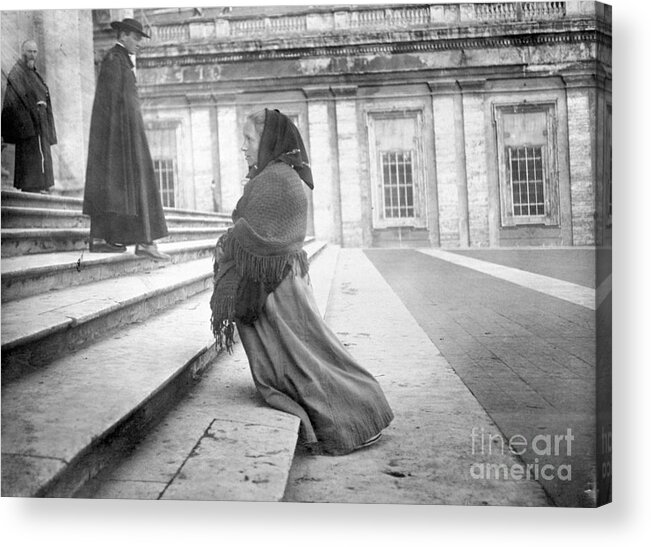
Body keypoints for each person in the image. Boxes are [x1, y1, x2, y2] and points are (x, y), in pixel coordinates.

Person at [210, 109, 394, 455]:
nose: (244, 148)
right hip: (284, 284)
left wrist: (230, 239)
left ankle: (354, 413)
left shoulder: (274, 181)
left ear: (267, 141)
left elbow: (257, 237)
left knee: (302, 367)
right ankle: (362, 401)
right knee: (313, 355)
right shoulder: (278, 175)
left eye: (249, 140)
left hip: (278, 292)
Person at [83, 18, 170, 260]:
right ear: (123, 36)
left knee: (131, 188)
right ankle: (129, 241)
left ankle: (136, 241)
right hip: (120, 138)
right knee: (127, 185)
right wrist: (124, 141)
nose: (140, 44)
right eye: (137, 38)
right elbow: (109, 107)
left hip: (126, 136)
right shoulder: (114, 61)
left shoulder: (120, 61)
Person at [1, 39, 57, 193]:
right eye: (29, 51)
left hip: (41, 126)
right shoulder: (16, 73)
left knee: (42, 162)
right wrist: (32, 116)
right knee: (30, 169)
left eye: (35, 52)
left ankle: (43, 185)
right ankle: (33, 188)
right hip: (28, 129)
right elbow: (12, 103)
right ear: (22, 52)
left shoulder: (36, 75)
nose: (32, 55)